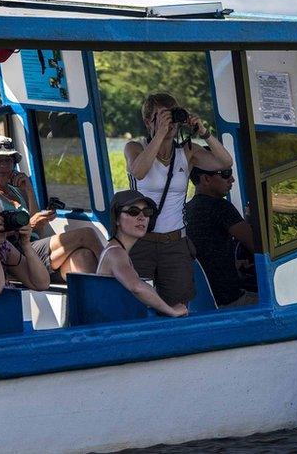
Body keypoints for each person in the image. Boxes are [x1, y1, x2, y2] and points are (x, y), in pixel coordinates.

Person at [123, 93, 233, 310]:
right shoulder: (135, 148)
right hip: (141, 240)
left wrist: (205, 133)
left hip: (174, 242)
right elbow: (139, 172)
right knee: (137, 305)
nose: (169, 122)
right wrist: (159, 135)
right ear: (148, 122)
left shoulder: (187, 151)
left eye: (172, 115)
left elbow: (225, 161)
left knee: (179, 306)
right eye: (162, 117)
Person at [0, 135, 102, 281]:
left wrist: (29, 190)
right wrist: (30, 224)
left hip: (30, 245)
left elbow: (36, 232)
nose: (4, 166)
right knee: (86, 234)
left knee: (82, 256)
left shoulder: (14, 190)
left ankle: (96, 301)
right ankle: (113, 282)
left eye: (8, 160)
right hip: (13, 252)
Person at [95, 190, 188, 317]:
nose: (142, 217)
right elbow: (136, 287)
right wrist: (171, 310)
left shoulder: (117, 250)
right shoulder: (115, 253)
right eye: (133, 212)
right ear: (116, 219)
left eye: (146, 212)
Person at [184, 151, 258, 308]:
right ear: (206, 179)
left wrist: (233, 263)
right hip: (231, 301)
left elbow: (206, 253)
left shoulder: (186, 209)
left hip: (208, 300)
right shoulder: (220, 207)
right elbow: (258, 246)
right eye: (225, 173)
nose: (232, 179)